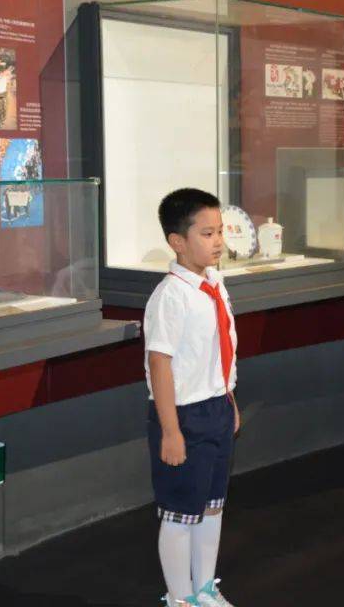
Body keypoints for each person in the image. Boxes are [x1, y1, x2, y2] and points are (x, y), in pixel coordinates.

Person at [145, 188, 240, 607]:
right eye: (207, 233)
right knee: (181, 512)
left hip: (216, 407)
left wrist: (229, 400)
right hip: (184, 416)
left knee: (212, 507)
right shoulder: (171, 296)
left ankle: (204, 589)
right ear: (178, 241)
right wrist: (171, 431)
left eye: (220, 231)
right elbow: (160, 364)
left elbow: (218, 352)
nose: (218, 241)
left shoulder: (214, 285)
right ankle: (179, 597)